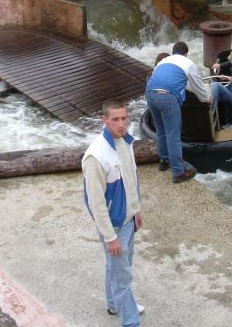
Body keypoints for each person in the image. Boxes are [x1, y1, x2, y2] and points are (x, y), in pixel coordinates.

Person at [82, 99, 144, 326]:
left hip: (128, 219)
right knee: (122, 276)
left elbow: (131, 177)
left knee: (116, 267)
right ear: (105, 120)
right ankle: (130, 322)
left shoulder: (126, 142)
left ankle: (113, 304)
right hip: (114, 224)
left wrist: (136, 210)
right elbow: (96, 203)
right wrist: (110, 237)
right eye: (115, 119)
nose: (121, 124)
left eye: (124, 118)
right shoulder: (95, 156)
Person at [146, 41, 211, 183]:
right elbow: (198, 88)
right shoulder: (188, 63)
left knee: (161, 131)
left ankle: (164, 161)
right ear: (186, 54)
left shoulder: (163, 61)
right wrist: (207, 98)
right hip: (168, 97)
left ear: (173, 51)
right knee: (173, 136)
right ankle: (178, 172)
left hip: (150, 93)